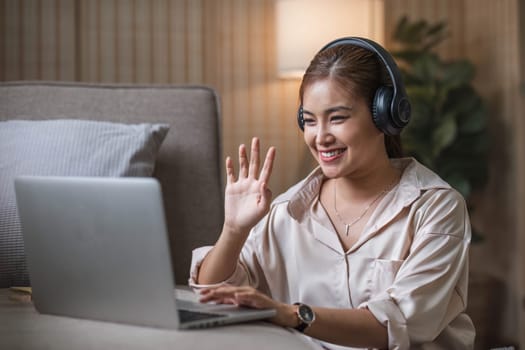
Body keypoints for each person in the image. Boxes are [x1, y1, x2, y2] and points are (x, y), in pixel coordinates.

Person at [189, 37, 475, 350]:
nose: (321, 137)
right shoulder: (287, 211)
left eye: (337, 118)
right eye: (309, 121)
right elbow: (212, 293)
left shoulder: (436, 207)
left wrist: (293, 314)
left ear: (384, 115)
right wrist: (234, 230)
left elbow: (395, 324)